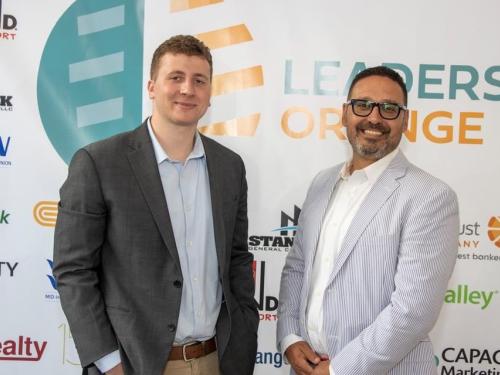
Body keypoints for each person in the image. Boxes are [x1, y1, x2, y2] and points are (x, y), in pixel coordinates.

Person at [53, 35, 258, 375]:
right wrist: (107, 362)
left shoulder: (229, 167)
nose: (187, 89)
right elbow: (73, 270)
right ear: (151, 87)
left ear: (209, 96)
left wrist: (244, 338)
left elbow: (237, 258)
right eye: (175, 77)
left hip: (217, 361)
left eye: (199, 80)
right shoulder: (99, 163)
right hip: (135, 363)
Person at [277, 66, 459, 375]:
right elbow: (297, 266)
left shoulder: (430, 196)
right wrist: (291, 337)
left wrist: (339, 370)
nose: (374, 118)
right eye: (363, 105)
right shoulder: (322, 184)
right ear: (345, 114)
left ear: (406, 120)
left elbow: (413, 311)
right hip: (307, 368)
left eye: (389, 108)